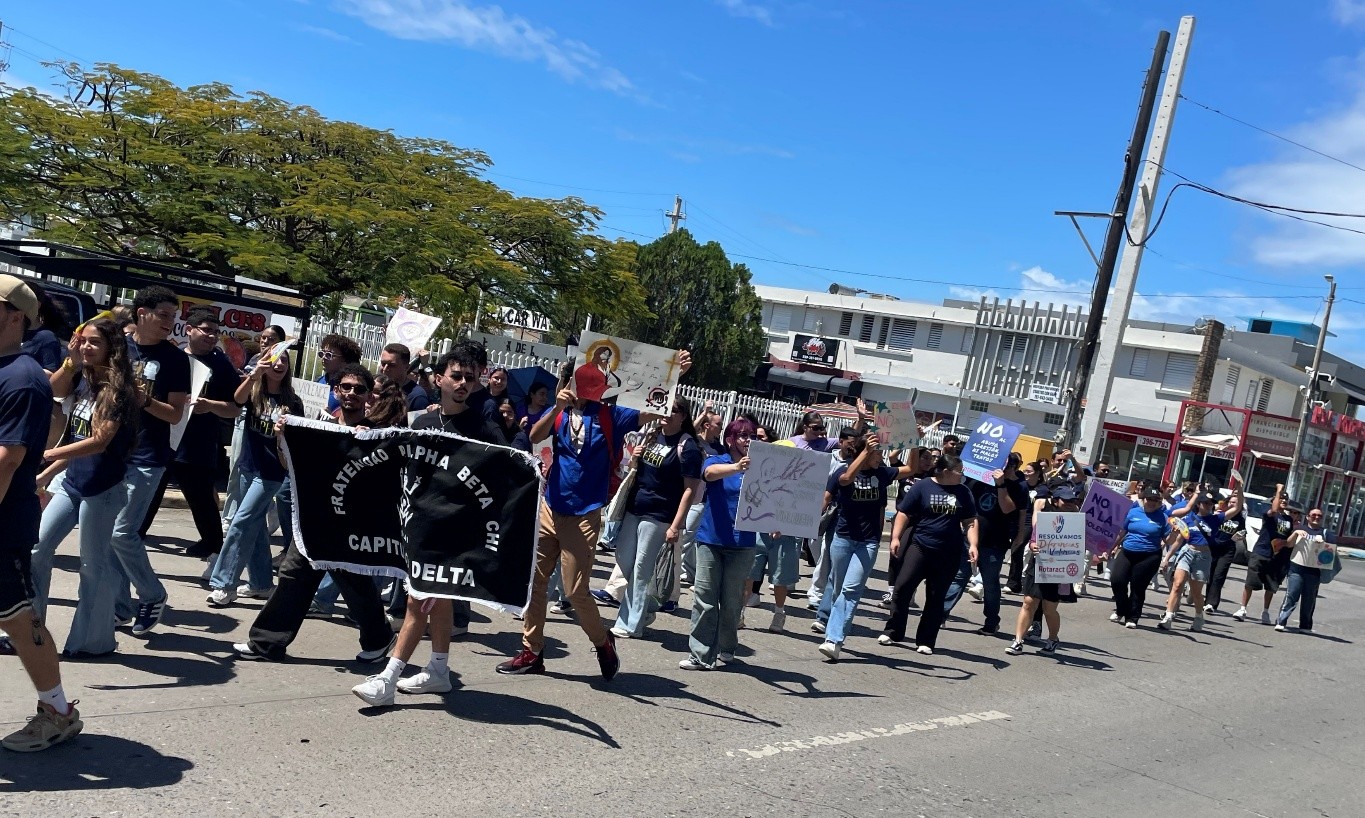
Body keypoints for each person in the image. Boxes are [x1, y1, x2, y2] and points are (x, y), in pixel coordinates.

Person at [497, 348, 691, 678]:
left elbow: (651, 408)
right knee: (536, 584)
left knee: (575, 591)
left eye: (588, 379)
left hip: (584, 513)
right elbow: (534, 436)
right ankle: (531, 652)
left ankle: (603, 642)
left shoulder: (610, 416)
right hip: (550, 507)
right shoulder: (559, 413)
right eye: (574, 379)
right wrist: (557, 407)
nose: (580, 385)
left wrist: (675, 376)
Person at [353, 346, 511, 705]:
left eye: (470, 378)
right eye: (456, 376)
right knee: (437, 604)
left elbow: (511, 471)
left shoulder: (485, 430)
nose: (463, 383)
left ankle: (387, 680)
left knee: (418, 601)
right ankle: (439, 671)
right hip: (421, 529)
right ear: (439, 379)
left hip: (457, 536)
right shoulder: (422, 424)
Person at [235, 364, 395, 665]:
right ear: (336, 391)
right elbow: (289, 466)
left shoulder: (377, 434)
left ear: (368, 397)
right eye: (345, 387)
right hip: (315, 518)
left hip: (351, 523)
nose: (351, 393)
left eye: (359, 389)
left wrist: (368, 445)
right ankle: (266, 643)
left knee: (355, 583)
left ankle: (379, 637)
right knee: (293, 575)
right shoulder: (318, 426)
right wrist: (283, 439)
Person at [0, 275, 83, 752]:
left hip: (3, 523)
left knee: (18, 620)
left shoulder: (23, 378)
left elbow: (7, 460)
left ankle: (58, 713)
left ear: (16, 317)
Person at [29, 319, 139, 657]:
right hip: (73, 483)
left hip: (103, 490)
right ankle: (31, 633)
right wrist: (70, 362)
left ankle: (94, 642)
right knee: (37, 549)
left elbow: (99, 442)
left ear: (111, 348)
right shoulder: (85, 381)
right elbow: (51, 392)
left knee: (93, 566)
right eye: (83, 341)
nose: (86, 347)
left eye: (94, 342)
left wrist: (47, 454)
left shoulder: (119, 391)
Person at [113, 285, 188, 634]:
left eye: (173, 316)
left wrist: (145, 401)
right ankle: (119, 606)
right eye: (164, 315)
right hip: (111, 451)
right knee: (106, 535)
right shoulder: (119, 347)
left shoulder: (175, 359)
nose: (170, 322)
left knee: (121, 533)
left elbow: (174, 414)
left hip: (148, 456)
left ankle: (152, 594)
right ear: (141, 313)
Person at [139, 307, 242, 558]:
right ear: (189, 330)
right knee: (149, 493)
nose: (212, 336)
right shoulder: (172, 358)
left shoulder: (221, 364)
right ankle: (133, 535)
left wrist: (210, 406)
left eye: (215, 332)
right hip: (162, 438)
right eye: (206, 330)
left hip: (198, 444)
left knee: (201, 497)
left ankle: (212, 544)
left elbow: (235, 408)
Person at [207, 348, 303, 606]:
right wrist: (254, 374)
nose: (279, 364)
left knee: (241, 522)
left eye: (284, 360)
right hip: (248, 467)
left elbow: (298, 440)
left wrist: (284, 432)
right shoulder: (254, 392)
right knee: (256, 526)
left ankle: (224, 584)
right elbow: (236, 401)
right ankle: (261, 584)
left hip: (272, 473)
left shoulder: (293, 402)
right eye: (274, 360)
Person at [608, 397, 702, 639]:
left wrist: (675, 526)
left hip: (659, 514)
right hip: (634, 507)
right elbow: (636, 472)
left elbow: (689, 490)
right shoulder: (651, 435)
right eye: (665, 409)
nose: (667, 414)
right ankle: (646, 608)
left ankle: (630, 624)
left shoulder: (688, 447)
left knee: (642, 568)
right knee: (624, 560)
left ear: (683, 416)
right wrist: (636, 458)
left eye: (674, 411)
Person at [816, 436, 913, 660]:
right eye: (877, 453)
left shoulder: (882, 473)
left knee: (851, 590)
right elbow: (846, 480)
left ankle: (834, 639)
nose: (881, 457)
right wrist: (866, 451)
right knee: (838, 589)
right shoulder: (844, 470)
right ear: (866, 453)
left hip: (868, 542)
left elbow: (911, 469)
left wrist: (913, 442)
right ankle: (833, 624)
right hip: (843, 539)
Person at [882, 454, 978, 655]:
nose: (962, 475)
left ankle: (926, 640)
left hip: (948, 552)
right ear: (946, 471)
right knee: (902, 588)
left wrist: (973, 544)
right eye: (959, 472)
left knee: (936, 597)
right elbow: (903, 513)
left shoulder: (964, 492)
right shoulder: (923, 486)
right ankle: (893, 631)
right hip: (920, 546)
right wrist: (896, 537)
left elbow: (970, 521)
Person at [679, 418, 756, 670]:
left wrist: (776, 525)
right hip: (711, 540)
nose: (748, 440)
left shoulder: (760, 468)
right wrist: (736, 467)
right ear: (730, 440)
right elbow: (709, 474)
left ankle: (727, 646)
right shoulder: (717, 460)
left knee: (732, 601)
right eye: (742, 435)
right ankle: (700, 654)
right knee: (705, 597)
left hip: (743, 543)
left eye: (751, 435)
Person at [1006, 482, 1083, 655]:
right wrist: (1033, 545)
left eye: (1072, 500)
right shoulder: (1045, 517)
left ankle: (1053, 639)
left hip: (1060, 569)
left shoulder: (1078, 520)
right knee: (1028, 602)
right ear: (1055, 501)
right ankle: (1018, 641)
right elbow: (1034, 538)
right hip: (1040, 563)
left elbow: (1085, 542)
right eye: (1065, 500)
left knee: (1049, 608)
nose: (1070, 503)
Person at [965, 453, 1028, 635]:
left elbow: (1009, 509)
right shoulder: (980, 480)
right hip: (970, 538)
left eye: (1007, 467)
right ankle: (940, 615)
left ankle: (991, 622)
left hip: (995, 542)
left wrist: (1000, 484)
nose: (1003, 470)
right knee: (958, 578)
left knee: (990, 583)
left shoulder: (1018, 486)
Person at [1107, 483, 1172, 628]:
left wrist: (1174, 533)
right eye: (1149, 499)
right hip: (1127, 552)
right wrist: (1110, 548)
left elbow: (1167, 540)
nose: (1152, 503)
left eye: (1155, 500)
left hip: (1149, 556)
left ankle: (1132, 617)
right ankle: (1121, 610)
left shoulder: (1163, 518)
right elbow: (1121, 532)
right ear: (1143, 499)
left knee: (1138, 586)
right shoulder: (1133, 512)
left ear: (1159, 502)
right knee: (1117, 580)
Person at [1233, 486, 1297, 624]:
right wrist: (1278, 490)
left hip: (1277, 556)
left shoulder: (1288, 519)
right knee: (1251, 582)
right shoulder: (1269, 514)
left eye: (1285, 499)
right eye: (1280, 498)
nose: (1283, 501)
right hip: (1261, 552)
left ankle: (1265, 612)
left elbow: (1288, 539)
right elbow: (1273, 510)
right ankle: (1242, 609)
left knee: (1271, 586)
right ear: (1274, 500)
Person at [1275, 508, 1334, 633]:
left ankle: (1305, 626)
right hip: (1297, 568)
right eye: (1313, 515)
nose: (1316, 517)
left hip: (1314, 571)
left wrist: (1323, 544)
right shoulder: (1299, 529)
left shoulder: (1325, 533)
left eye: (1319, 516)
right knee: (1292, 595)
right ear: (1307, 517)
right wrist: (1296, 533)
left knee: (1309, 599)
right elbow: (1289, 544)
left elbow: (1331, 552)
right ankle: (1281, 621)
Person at [1205, 486, 1245, 614]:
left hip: (1228, 550)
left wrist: (1240, 536)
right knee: (1210, 575)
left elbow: (1242, 533)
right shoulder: (1220, 515)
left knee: (1219, 576)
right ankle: (1206, 600)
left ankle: (1212, 603)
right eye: (1231, 502)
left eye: (1235, 503)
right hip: (1213, 547)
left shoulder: (1240, 519)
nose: (1233, 504)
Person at [378, 342, 433, 412]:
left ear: (406, 367)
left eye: (391, 365)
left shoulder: (416, 397)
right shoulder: (375, 388)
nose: (385, 369)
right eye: (383, 364)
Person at [316, 333, 362, 415]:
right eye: (322, 354)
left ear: (345, 361)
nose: (323, 358)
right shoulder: (319, 381)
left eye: (329, 355)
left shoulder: (350, 390)